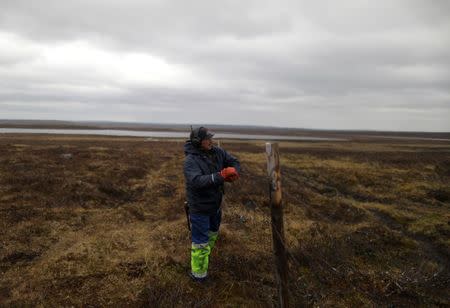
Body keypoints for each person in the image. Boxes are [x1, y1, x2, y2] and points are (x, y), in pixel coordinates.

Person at [183, 126, 240, 282]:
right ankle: (198, 276)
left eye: (211, 138)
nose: (211, 141)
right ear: (197, 141)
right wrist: (221, 175)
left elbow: (233, 161)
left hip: (215, 206)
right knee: (200, 243)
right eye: (207, 139)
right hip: (200, 208)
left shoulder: (217, 152)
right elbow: (196, 181)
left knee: (212, 234)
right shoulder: (190, 161)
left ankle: (205, 260)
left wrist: (234, 171)